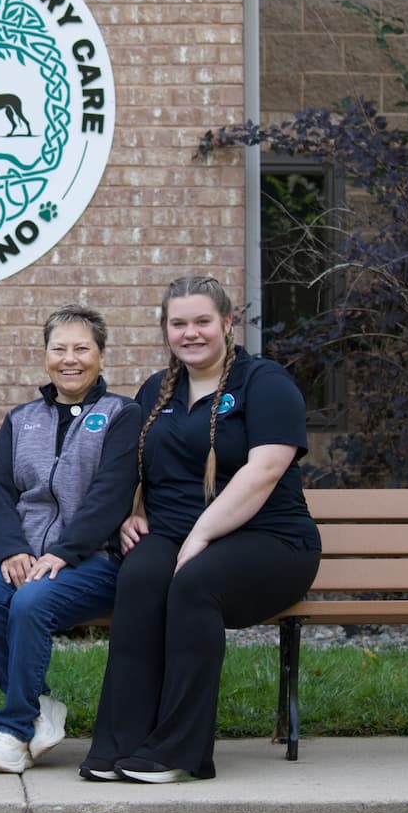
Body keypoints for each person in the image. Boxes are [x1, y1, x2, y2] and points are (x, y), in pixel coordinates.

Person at [80, 275, 323, 784]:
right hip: (172, 533)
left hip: (270, 540)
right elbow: (130, 464)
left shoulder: (264, 382)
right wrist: (131, 510)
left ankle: (177, 753)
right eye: (179, 323)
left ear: (228, 323)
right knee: (142, 578)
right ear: (165, 329)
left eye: (202, 322)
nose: (191, 333)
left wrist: (201, 536)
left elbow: (264, 473)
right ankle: (119, 746)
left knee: (193, 582)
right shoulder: (155, 390)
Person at [0, 304, 141, 773]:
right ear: (45, 356)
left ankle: (15, 727)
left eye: (82, 348)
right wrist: (13, 550)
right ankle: (40, 707)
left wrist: (62, 552)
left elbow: (111, 494)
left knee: (31, 602)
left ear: (101, 356)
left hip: (94, 560)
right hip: (28, 557)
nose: (70, 359)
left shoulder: (122, 415)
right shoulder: (21, 420)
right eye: (59, 348)